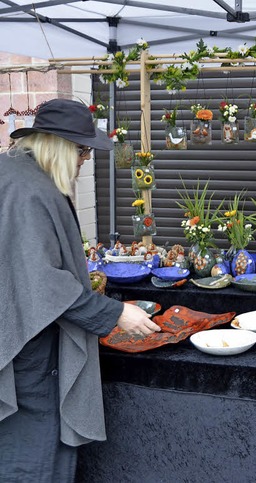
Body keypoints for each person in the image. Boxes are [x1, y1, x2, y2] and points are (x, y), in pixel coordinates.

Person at [0, 98, 161, 481]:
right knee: (33, 455)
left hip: (18, 334)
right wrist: (116, 313)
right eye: (84, 150)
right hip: (28, 355)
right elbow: (44, 283)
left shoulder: (14, 175)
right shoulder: (30, 190)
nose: (86, 159)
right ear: (59, 145)